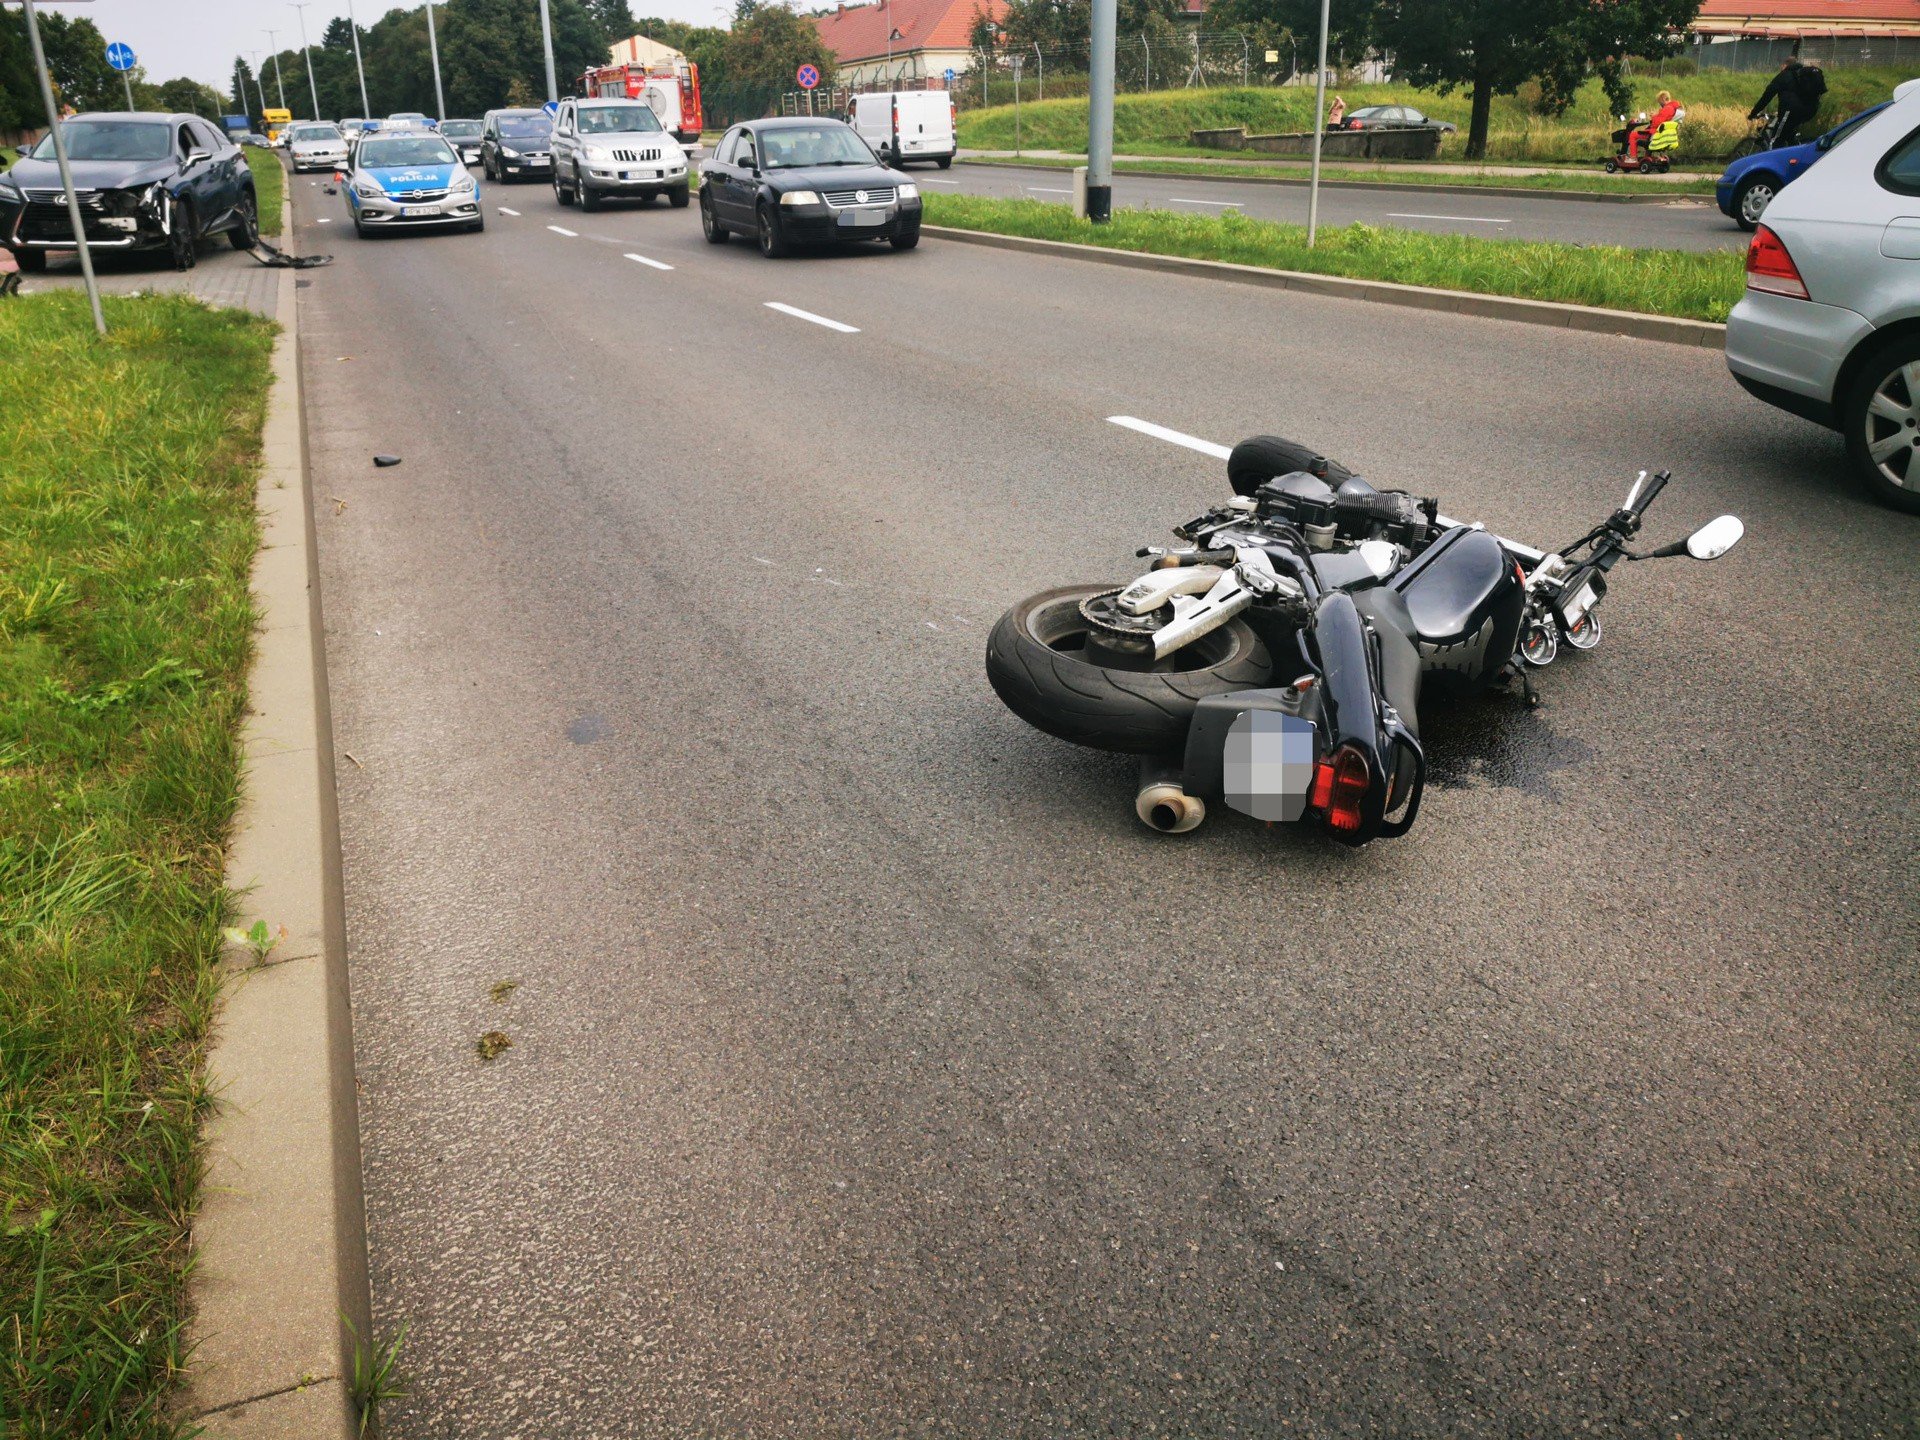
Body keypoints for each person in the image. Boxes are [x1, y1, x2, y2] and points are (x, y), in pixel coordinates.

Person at [1750, 56, 1823, 148]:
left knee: (1775, 141)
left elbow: (1766, 97)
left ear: (1785, 65)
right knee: (1788, 133)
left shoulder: (1784, 75)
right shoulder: (1804, 75)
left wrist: (1753, 113)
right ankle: (1795, 153)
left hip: (1789, 113)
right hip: (1810, 111)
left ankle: (1776, 158)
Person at [1628, 89, 1679, 161]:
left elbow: (1658, 123)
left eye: (1660, 102)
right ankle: (1646, 158)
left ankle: (1633, 158)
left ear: (1664, 99)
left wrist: (1653, 117)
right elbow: (1663, 120)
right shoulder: (1673, 108)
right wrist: (1656, 116)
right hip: (1659, 133)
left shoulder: (1667, 108)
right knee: (1643, 134)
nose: (1660, 104)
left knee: (1633, 135)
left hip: (1655, 133)